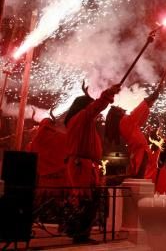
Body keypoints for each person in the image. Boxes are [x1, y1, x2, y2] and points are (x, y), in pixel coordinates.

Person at [64, 82, 120, 243]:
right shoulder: (81, 118)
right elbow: (94, 108)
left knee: (88, 199)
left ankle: (81, 233)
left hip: (84, 165)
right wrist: (108, 94)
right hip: (81, 166)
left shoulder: (82, 121)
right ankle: (80, 235)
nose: (95, 113)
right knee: (84, 200)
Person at [105, 84, 162, 177]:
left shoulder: (124, 124)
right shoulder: (124, 122)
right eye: (117, 108)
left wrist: (151, 101)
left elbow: (139, 116)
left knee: (138, 177)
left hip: (137, 152)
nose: (120, 107)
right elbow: (138, 112)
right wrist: (152, 97)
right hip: (139, 152)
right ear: (116, 114)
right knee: (139, 178)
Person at [143, 127, 166, 194]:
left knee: (148, 194)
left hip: (149, 173)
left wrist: (149, 132)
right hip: (161, 172)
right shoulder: (162, 147)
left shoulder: (147, 148)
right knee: (161, 194)